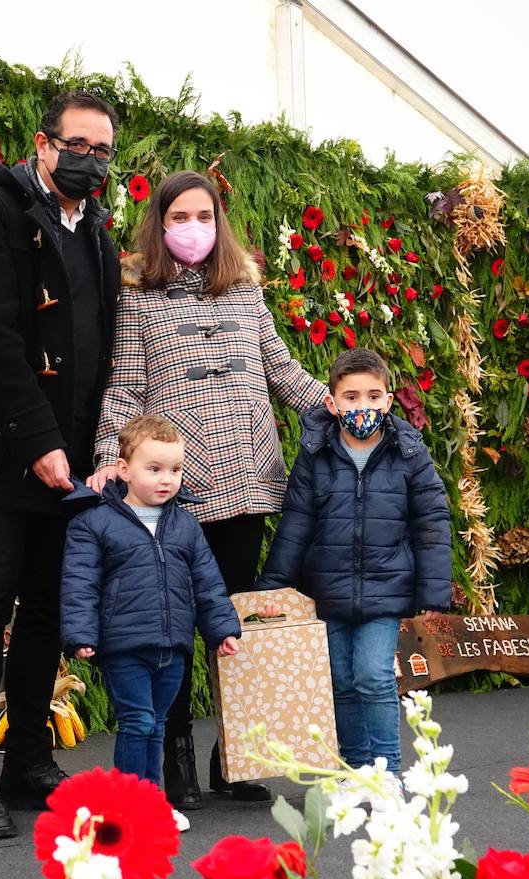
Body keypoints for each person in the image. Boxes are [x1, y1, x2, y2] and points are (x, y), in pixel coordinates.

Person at [88, 170, 327, 809]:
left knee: (231, 624)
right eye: (178, 217)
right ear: (160, 225)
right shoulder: (138, 295)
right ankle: (177, 761)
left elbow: (281, 366)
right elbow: (126, 384)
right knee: (173, 627)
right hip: (178, 483)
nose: (192, 227)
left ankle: (237, 757)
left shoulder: (246, 292)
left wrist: (335, 414)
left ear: (219, 221)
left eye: (204, 215)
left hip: (247, 479)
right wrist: (112, 456)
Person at [0, 90, 122, 839]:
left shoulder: (97, 231)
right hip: (1, 452)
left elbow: (101, 348)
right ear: (42, 145)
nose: (89, 160)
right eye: (77, 145)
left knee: (47, 607)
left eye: (102, 150)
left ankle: (29, 761)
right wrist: (37, 440)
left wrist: (91, 450)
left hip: (70, 457)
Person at [254, 348, 452, 775]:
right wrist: (273, 589)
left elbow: (432, 521)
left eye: (373, 396)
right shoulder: (315, 453)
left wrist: (434, 589)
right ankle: (355, 768)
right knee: (341, 682)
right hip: (328, 589)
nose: (362, 406)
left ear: (389, 401)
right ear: (332, 402)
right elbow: (297, 522)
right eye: (351, 397)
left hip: (386, 590)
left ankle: (387, 772)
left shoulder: (410, 454)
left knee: (374, 678)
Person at [60, 416, 245, 830]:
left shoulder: (185, 524)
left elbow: (207, 583)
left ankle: (151, 801)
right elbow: (79, 584)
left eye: (175, 470)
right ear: (124, 469)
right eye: (154, 469)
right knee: (137, 722)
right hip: (124, 646)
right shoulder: (93, 523)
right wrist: (81, 634)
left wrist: (222, 629)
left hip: (173, 646)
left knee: (157, 725)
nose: (167, 479)